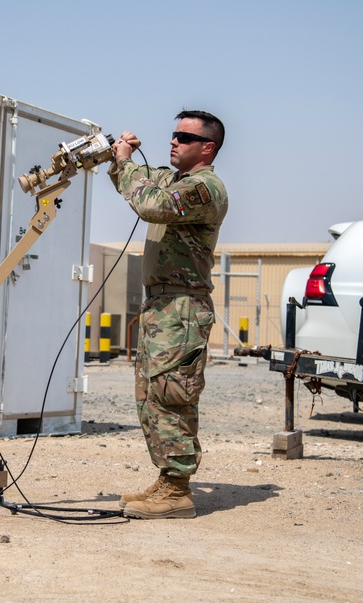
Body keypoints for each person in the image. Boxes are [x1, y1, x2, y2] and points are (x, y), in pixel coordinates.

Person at [108, 110, 229, 519]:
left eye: (184, 136)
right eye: (173, 134)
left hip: (182, 307)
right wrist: (114, 156)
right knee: (150, 396)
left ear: (207, 147)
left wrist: (126, 163)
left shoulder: (204, 188)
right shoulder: (174, 179)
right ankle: (168, 477)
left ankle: (177, 491)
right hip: (162, 304)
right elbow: (136, 186)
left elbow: (150, 204)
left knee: (171, 395)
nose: (173, 141)